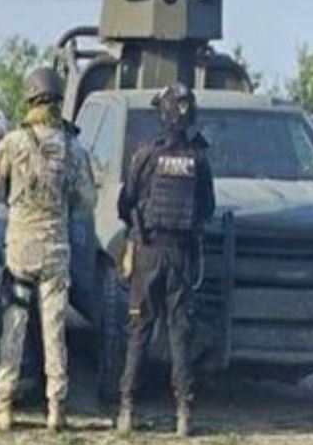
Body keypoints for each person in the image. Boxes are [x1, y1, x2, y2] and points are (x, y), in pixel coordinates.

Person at [0, 67, 96, 431]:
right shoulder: (73, 147)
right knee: (54, 329)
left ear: (30, 99)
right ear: (59, 101)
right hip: (56, 250)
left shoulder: (13, 142)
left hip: (20, 249)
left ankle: (4, 403)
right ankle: (57, 407)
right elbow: (87, 201)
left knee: (14, 323)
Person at [115, 83, 215, 437]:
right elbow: (207, 207)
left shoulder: (146, 154)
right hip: (182, 255)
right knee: (179, 334)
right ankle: (184, 414)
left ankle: (126, 410)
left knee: (138, 330)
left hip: (148, 252)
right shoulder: (198, 157)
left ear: (163, 114)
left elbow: (125, 203)